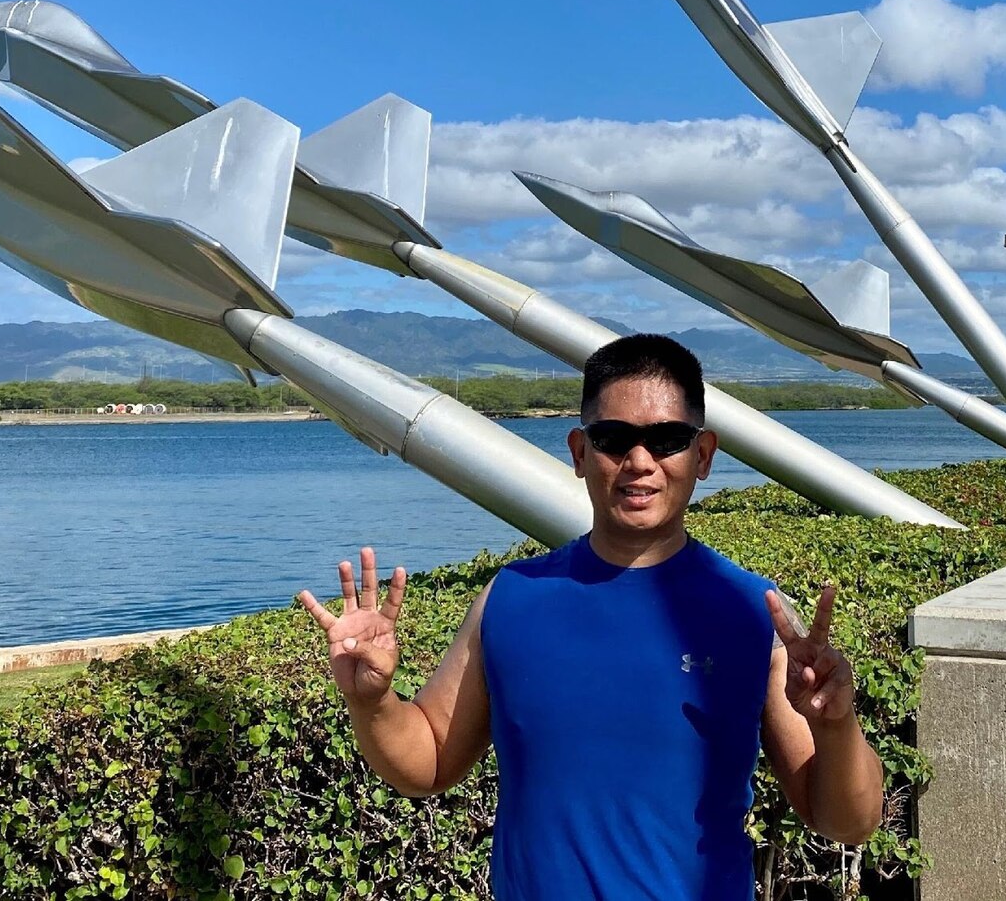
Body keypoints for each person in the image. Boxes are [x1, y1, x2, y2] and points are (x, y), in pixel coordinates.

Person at [298, 332, 884, 900]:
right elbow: (426, 762)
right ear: (580, 452)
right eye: (612, 438)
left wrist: (836, 723)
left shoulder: (753, 614)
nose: (638, 462)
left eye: (667, 439)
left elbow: (846, 821)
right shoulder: (512, 599)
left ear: (702, 455)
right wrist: (372, 701)